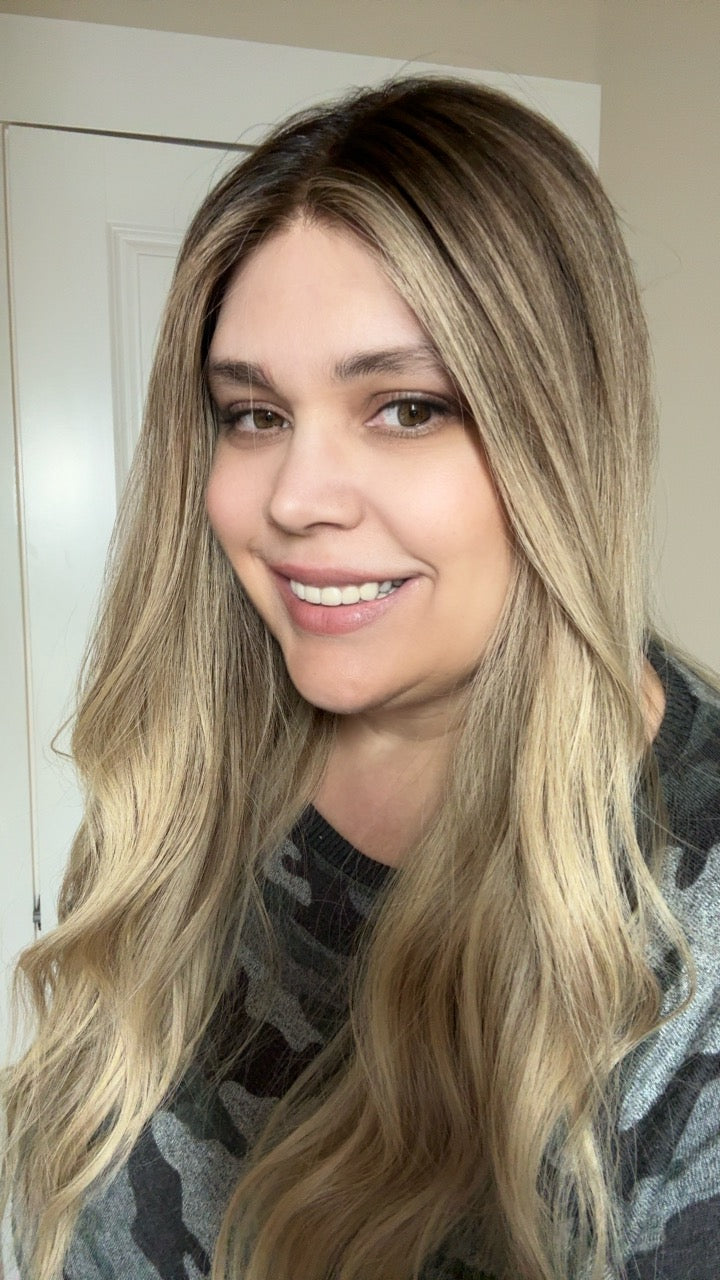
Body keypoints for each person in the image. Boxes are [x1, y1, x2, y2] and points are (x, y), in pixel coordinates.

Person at [2, 75, 719, 1280]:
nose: (293, 498)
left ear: (563, 434)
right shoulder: (194, 776)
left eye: (406, 406)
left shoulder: (688, 930)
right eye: (252, 412)